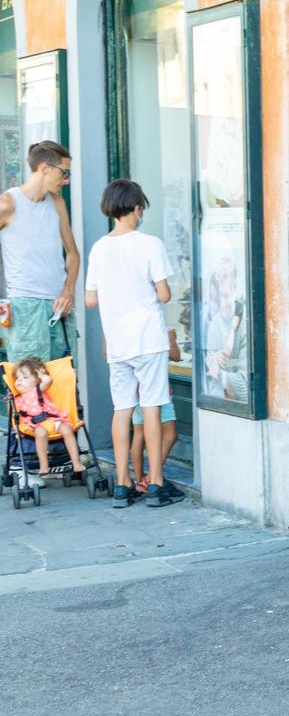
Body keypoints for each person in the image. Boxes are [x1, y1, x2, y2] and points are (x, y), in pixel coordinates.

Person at [84, 179, 179, 508]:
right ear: (136, 209)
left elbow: (91, 299)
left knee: (122, 409)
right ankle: (154, 482)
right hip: (148, 338)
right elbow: (165, 293)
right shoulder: (149, 244)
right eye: (142, 209)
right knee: (151, 407)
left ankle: (123, 484)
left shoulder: (99, 248)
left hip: (118, 342)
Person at [0, 141, 81, 362]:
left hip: (59, 308)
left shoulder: (57, 203)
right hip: (25, 308)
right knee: (30, 391)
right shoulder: (7, 204)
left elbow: (73, 254)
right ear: (44, 168)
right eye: (64, 173)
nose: (67, 180)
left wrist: (68, 292)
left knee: (63, 386)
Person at [129, 328, 184, 500]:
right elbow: (176, 356)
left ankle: (139, 481)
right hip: (158, 392)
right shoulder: (156, 330)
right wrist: (171, 338)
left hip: (135, 391)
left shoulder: (130, 332)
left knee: (139, 436)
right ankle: (152, 477)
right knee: (170, 434)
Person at [12, 356, 84, 482]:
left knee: (67, 430)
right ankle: (44, 465)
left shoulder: (38, 390)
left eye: (25, 377)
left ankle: (76, 462)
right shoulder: (17, 398)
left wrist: (40, 373)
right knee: (41, 433)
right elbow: (19, 416)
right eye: (17, 378)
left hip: (54, 420)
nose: (19, 381)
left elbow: (48, 380)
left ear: (36, 380)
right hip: (37, 425)